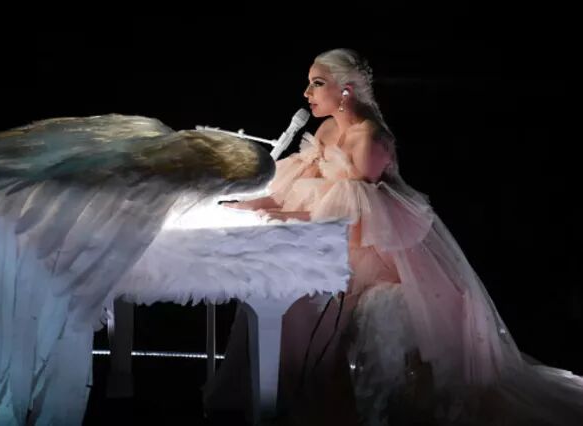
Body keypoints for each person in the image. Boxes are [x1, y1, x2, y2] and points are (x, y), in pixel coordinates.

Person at [203, 48, 583, 425]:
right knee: (283, 292)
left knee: (306, 302)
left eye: (317, 84)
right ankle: (313, 402)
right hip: (339, 247)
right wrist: (251, 202)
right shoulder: (328, 129)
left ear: (345, 90)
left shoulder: (369, 139)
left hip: (378, 255)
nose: (307, 93)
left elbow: (349, 215)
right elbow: (301, 186)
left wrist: (281, 214)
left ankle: (327, 405)